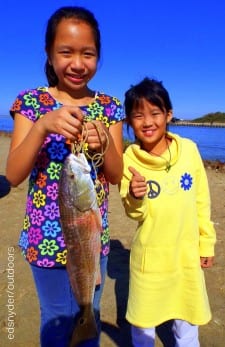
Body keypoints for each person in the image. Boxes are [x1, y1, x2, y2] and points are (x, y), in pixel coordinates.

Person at [6, 6, 124, 347]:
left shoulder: (109, 107)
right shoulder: (32, 102)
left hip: (90, 239)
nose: (77, 63)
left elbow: (115, 175)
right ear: (49, 53)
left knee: (90, 313)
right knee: (56, 320)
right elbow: (13, 174)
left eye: (87, 53)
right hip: (45, 240)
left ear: (98, 57)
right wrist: (43, 126)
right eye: (66, 52)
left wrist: (105, 143)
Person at [119, 77, 216, 347]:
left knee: (187, 322)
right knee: (143, 325)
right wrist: (135, 196)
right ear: (129, 122)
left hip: (185, 255)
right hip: (149, 260)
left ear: (168, 114)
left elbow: (201, 201)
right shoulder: (128, 160)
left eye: (155, 113)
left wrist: (206, 242)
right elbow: (134, 214)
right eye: (138, 116)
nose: (147, 122)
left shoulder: (189, 150)